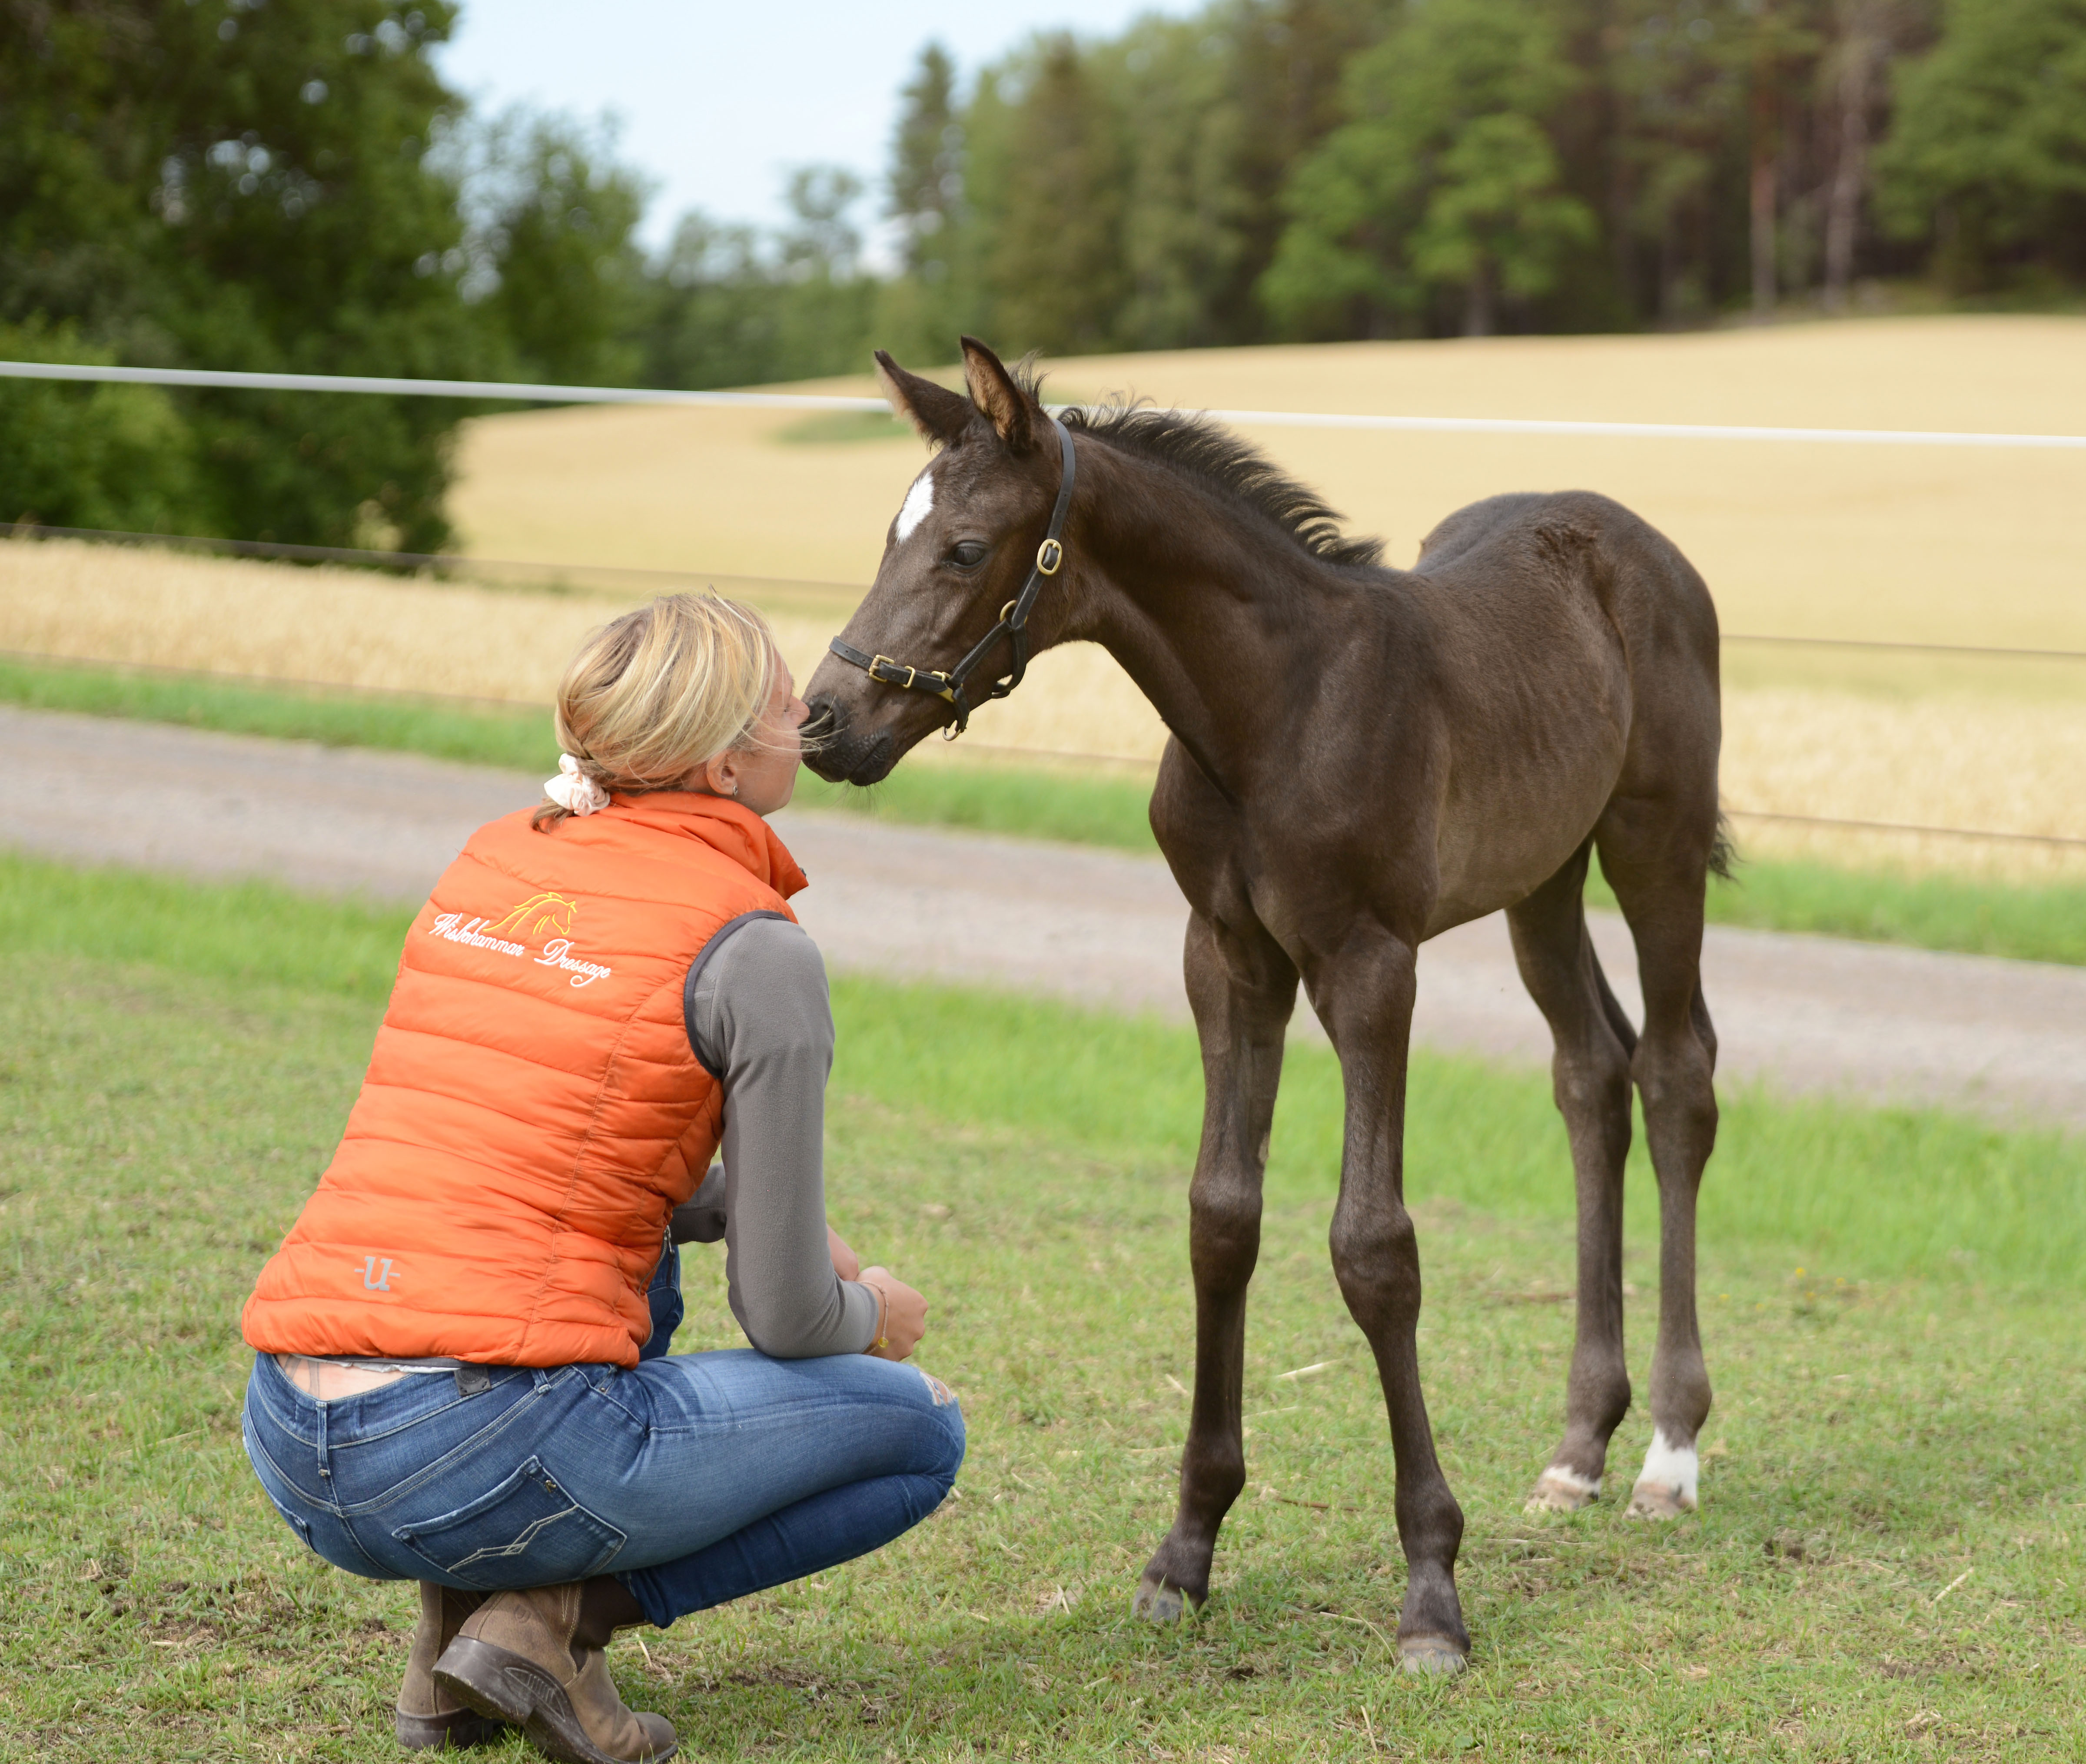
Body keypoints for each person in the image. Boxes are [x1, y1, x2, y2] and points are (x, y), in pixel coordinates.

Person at [239, 594, 963, 1764]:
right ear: (728, 759)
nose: (808, 711)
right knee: (921, 1432)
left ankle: (447, 1652)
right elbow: (786, 1317)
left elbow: (550, 1157)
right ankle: (542, 1621)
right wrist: (877, 1306)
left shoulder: (493, 856)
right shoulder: (757, 948)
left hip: (292, 1432)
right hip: (477, 1444)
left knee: (637, 1259)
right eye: (786, 697)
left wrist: (740, 1207)